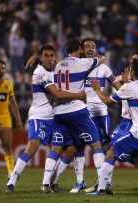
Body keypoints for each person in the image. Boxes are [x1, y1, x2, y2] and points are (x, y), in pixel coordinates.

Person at [3, 45, 85, 193]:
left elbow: (63, 65)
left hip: (55, 117)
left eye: (51, 56)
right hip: (39, 116)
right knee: (33, 146)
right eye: (45, 56)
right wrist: (79, 95)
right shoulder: (39, 73)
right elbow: (57, 94)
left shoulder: (55, 68)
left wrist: (38, 56)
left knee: (70, 149)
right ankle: (11, 182)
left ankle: (49, 183)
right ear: (41, 58)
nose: (49, 59)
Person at [49, 38, 121, 194]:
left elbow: (118, 86)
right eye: (87, 46)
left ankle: (105, 182)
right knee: (77, 147)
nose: (90, 48)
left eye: (93, 46)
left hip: (100, 112)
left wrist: (118, 96)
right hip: (83, 110)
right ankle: (80, 182)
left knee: (105, 146)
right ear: (81, 49)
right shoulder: (80, 65)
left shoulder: (102, 68)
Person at [40, 38, 106, 192]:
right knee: (96, 145)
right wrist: (89, 57)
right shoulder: (83, 63)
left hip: (59, 113)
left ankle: (45, 184)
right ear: (79, 50)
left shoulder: (57, 65)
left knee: (56, 148)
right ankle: (104, 183)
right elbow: (102, 58)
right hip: (77, 111)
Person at [87, 59, 138, 196]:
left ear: (133, 72)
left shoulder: (130, 87)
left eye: (130, 69)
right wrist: (128, 82)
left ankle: (101, 189)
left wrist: (97, 90)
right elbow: (135, 91)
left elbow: (108, 101)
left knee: (111, 153)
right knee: (134, 152)